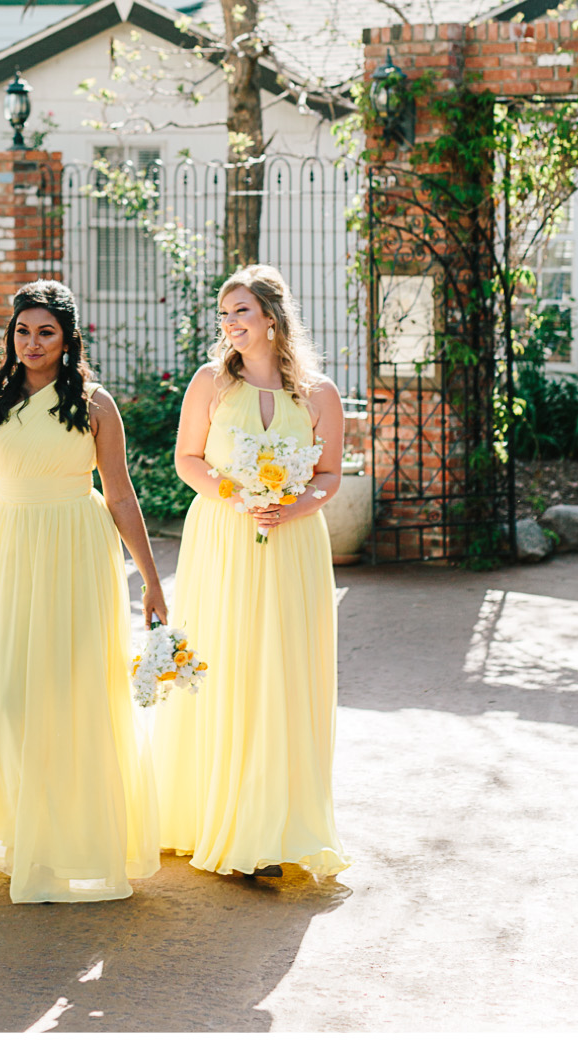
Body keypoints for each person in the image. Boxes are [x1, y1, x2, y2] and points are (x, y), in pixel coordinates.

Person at [0, 279, 164, 904]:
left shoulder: (96, 403)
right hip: (8, 547)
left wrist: (152, 579)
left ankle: (62, 847)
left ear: (67, 337)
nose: (31, 343)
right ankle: (15, 832)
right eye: (22, 331)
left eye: (44, 332)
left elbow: (121, 491)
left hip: (77, 549)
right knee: (4, 697)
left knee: (70, 697)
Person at [152, 265, 352, 881]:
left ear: (271, 317)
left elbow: (329, 476)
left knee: (282, 672)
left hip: (294, 547)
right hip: (222, 539)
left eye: (242, 311)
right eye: (225, 313)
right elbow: (186, 459)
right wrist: (234, 495)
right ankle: (215, 816)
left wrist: (292, 505)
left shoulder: (318, 394)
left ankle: (276, 825)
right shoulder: (210, 383)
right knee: (225, 666)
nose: (231, 323)